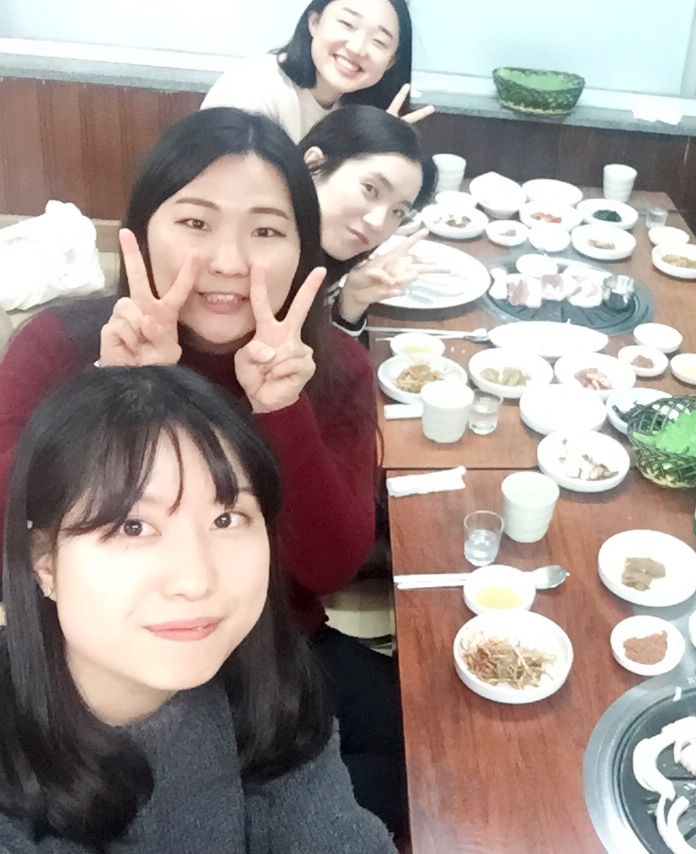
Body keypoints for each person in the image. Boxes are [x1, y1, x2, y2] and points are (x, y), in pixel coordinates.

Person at [0, 108, 405, 834]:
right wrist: (115, 396)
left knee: (418, 754)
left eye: (266, 231)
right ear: (142, 229)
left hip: (271, 644)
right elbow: (17, 537)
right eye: (195, 222)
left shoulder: (333, 365)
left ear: (303, 248)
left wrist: (281, 409)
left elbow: (329, 567)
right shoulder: (59, 344)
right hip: (104, 664)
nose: (229, 261)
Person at [0, 364, 395, 852]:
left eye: (227, 518)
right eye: (132, 526)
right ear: (44, 562)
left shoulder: (263, 679)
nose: (196, 580)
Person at [203, 0, 434, 141]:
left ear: (391, 61)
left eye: (379, 42)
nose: (357, 48)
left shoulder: (353, 112)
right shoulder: (255, 87)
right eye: (347, 24)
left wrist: (384, 146)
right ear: (314, 22)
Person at [299, 104, 435, 336]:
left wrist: (350, 304)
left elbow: (323, 353)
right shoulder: (256, 261)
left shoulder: (322, 257)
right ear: (313, 164)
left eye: (398, 212)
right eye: (371, 189)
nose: (378, 222)